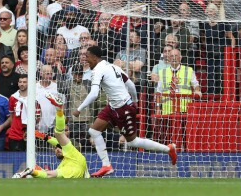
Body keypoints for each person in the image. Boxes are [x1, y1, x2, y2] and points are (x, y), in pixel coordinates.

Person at [72, 46, 177, 177]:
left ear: (94, 57)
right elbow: (131, 85)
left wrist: (79, 109)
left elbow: (94, 94)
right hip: (114, 106)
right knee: (93, 131)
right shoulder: (113, 66)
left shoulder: (98, 70)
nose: (85, 60)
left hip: (123, 108)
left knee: (132, 141)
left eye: (87, 56)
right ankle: (106, 165)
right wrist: (135, 100)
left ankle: (168, 149)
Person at [12, 93, 89, 178]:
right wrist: (37, 134)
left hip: (74, 161)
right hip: (75, 164)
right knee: (58, 134)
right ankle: (59, 109)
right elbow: (48, 174)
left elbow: (56, 142)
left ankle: (59, 108)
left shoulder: (72, 153)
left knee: (59, 134)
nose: (58, 150)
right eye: (56, 148)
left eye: (59, 147)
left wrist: (33, 172)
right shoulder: (62, 165)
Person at [155, 49, 202, 115]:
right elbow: (158, 92)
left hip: (185, 109)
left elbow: (196, 85)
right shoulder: (162, 72)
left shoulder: (189, 70)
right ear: (168, 58)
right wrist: (158, 108)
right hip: (168, 110)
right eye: (171, 56)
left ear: (180, 58)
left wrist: (197, 90)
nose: (174, 58)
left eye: (176, 56)